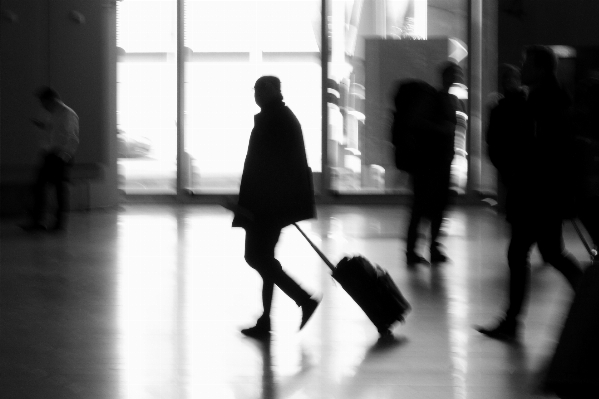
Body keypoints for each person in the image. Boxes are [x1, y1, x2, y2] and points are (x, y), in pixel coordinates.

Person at [476, 46, 583, 341]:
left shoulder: (541, 101)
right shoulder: (550, 97)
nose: (521, 69)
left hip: (537, 191)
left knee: (521, 251)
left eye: (526, 63)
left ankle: (512, 321)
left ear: (540, 68)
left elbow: (539, 148)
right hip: (544, 191)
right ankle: (588, 299)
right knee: (551, 252)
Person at [233, 76, 320, 339]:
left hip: (267, 204)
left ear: (274, 91)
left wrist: (251, 204)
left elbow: (265, 167)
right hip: (271, 203)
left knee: (257, 257)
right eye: (256, 89)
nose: (257, 94)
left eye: (262, 89)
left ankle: (303, 299)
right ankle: (267, 318)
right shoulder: (279, 117)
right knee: (264, 258)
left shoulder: (274, 120)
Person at [404, 62, 462, 266]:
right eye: (455, 75)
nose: (458, 78)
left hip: (440, 162)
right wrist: (441, 129)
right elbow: (416, 123)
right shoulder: (434, 99)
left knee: (435, 206)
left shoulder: (449, 100)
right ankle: (417, 250)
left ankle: (426, 248)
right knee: (424, 207)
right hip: (429, 163)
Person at [21, 86, 79, 232]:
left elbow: (71, 139)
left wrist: (63, 158)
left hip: (59, 157)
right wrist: (43, 126)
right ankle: (40, 222)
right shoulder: (54, 114)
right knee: (40, 187)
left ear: (51, 100)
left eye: (43, 102)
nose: (42, 105)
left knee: (58, 190)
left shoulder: (67, 114)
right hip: (51, 155)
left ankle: (57, 224)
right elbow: (56, 133)